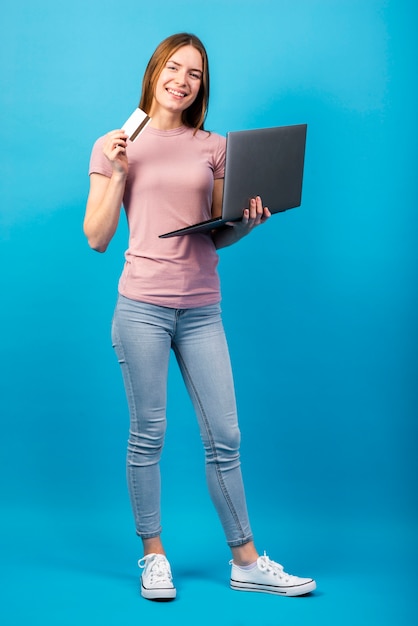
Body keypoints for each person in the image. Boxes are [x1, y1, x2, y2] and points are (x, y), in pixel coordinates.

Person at [84, 32, 316, 601]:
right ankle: (153, 556)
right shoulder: (115, 144)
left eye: (195, 73)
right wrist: (117, 171)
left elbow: (218, 233)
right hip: (140, 306)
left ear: (201, 86)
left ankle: (246, 562)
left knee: (227, 436)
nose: (183, 80)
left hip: (201, 307)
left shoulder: (213, 146)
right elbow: (96, 238)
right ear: (155, 70)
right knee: (149, 436)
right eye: (175, 67)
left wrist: (247, 221)